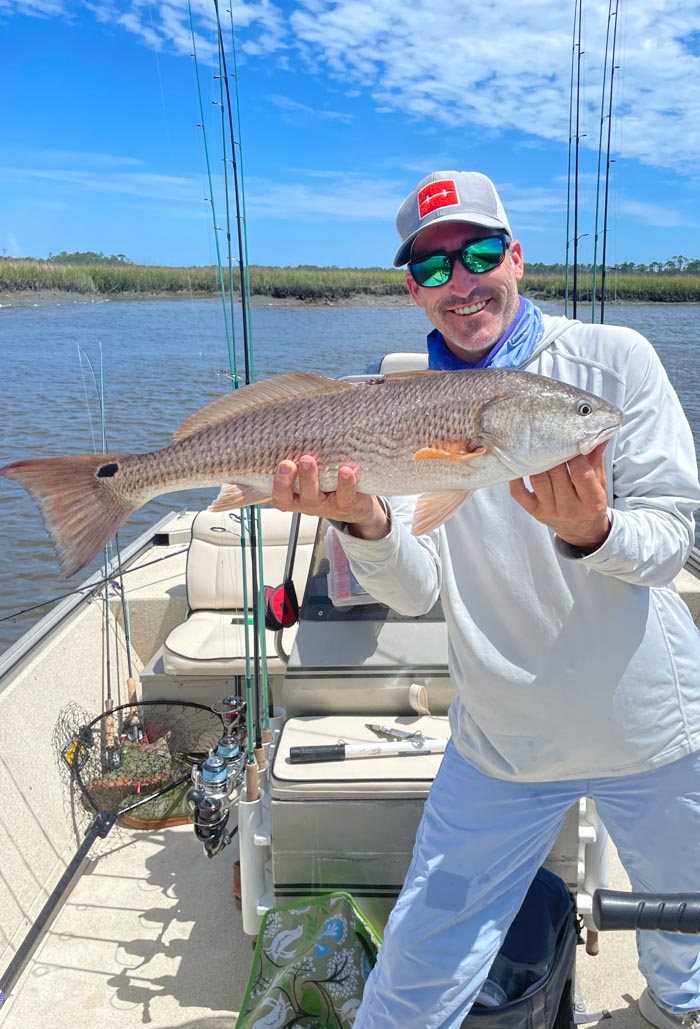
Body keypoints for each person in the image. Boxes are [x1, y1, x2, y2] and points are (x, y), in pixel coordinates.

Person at [270, 170, 700, 1029]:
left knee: (687, 933)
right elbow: (416, 585)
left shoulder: (611, 364)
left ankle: (671, 1010)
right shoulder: (389, 411)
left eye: (477, 255)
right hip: (501, 744)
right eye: (434, 269)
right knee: (419, 965)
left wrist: (595, 534)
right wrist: (363, 523)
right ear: (413, 290)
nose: (461, 284)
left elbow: (676, 535)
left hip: (653, 730)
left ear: (515, 254)